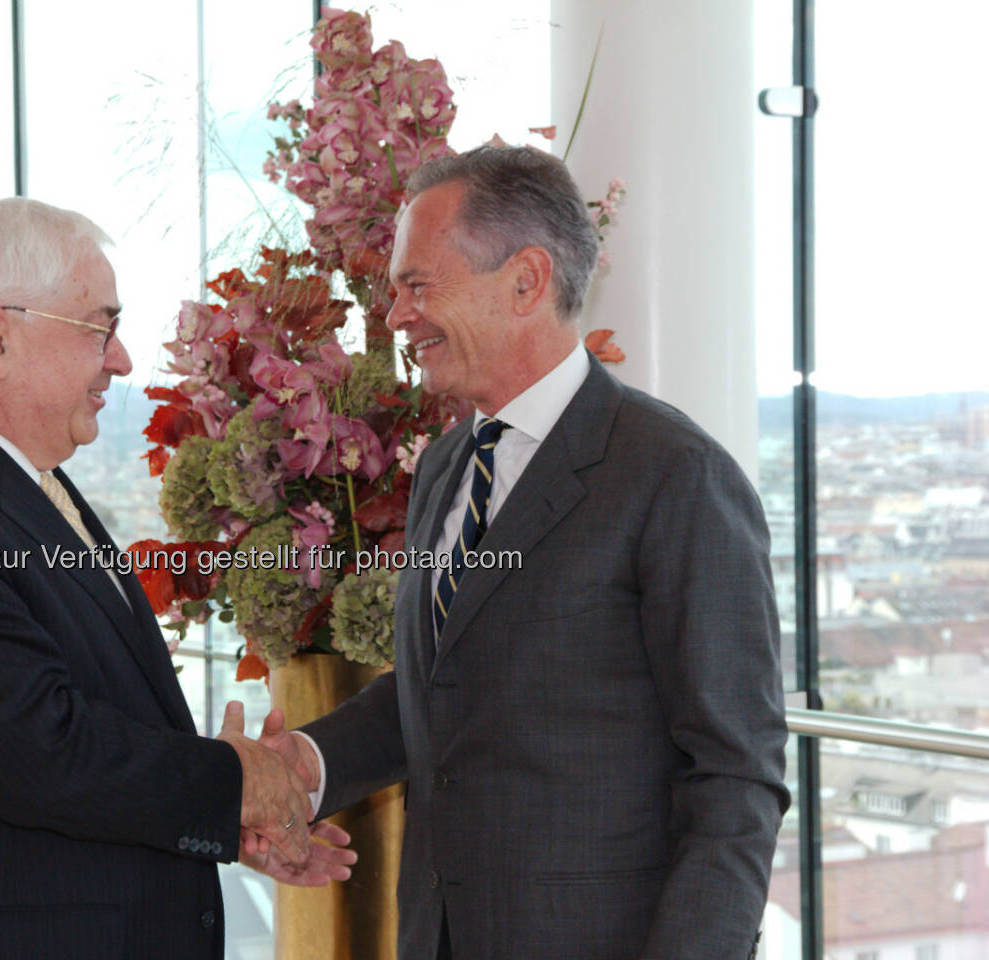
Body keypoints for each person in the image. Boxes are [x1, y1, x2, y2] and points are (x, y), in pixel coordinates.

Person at [257, 146, 790, 959]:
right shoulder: (445, 464)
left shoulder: (675, 477)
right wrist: (300, 762)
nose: (396, 316)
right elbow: (444, 689)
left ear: (526, 280)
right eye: (395, 290)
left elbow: (735, 778)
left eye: (418, 285)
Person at [0, 197, 352, 960]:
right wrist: (233, 782)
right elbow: (39, 755)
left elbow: (85, 729)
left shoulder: (10, 487)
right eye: (101, 326)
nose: (124, 360)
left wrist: (226, 811)